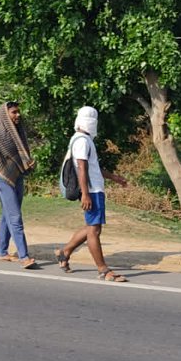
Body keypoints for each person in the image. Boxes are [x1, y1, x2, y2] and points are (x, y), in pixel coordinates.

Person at [55, 106, 129, 282]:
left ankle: (64, 253)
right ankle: (103, 270)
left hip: (95, 189)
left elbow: (92, 167)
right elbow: (82, 167)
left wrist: (114, 177)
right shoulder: (82, 140)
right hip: (92, 191)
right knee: (94, 230)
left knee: (92, 227)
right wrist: (86, 194)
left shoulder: (84, 140)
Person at [0, 102, 37, 268]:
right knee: (15, 217)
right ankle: (24, 256)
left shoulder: (18, 132)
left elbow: (21, 155)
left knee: (7, 214)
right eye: (14, 112)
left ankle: (2, 252)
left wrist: (28, 164)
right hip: (2, 179)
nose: (18, 115)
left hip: (17, 177)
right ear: (5, 114)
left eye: (18, 112)